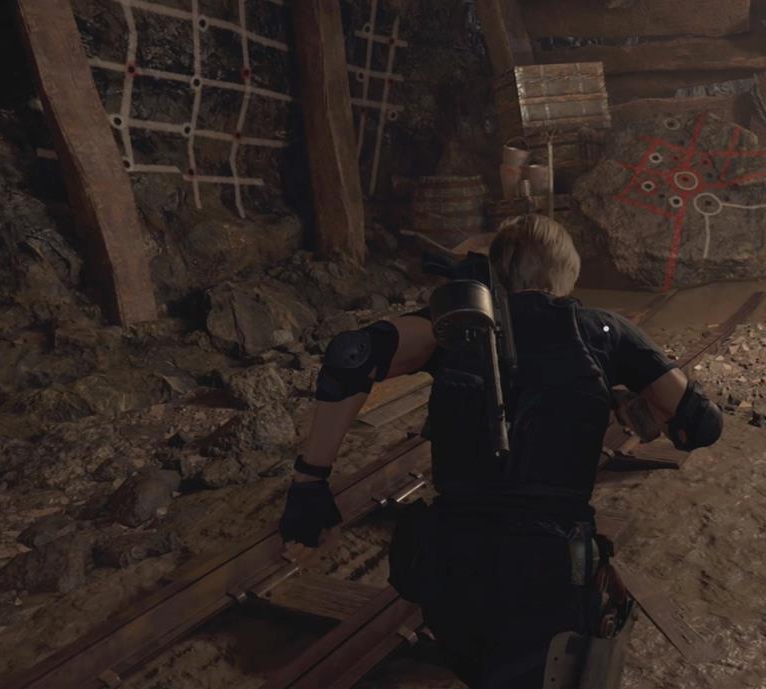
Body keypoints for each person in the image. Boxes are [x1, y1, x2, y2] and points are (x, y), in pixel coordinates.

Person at [278, 214, 723, 688]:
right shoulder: (602, 332)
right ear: (566, 273)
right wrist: (640, 406)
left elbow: (353, 355)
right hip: (551, 576)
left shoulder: (459, 325)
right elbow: (703, 424)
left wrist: (310, 482)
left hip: (453, 570)